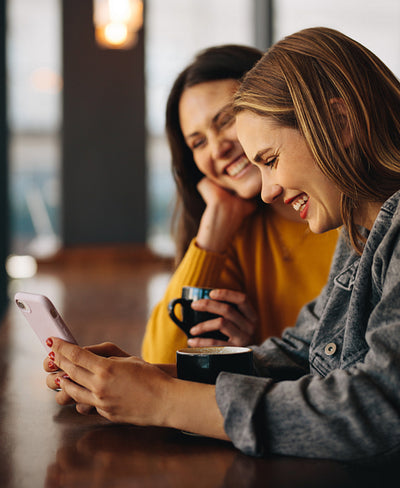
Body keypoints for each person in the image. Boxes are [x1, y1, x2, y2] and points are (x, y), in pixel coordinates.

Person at [45, 26, 400, 461]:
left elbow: (379, 410)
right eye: (197, 141)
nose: (268, 189)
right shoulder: (360, 227)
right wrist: (148, 376)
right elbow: (307, 350)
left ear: (339, 122)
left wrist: (164, 399)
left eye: (269, 160)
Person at [142, 44, 338, 364]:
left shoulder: (358, 212)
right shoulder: (233, 236)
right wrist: (214, 228)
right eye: (199, 142)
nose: (218, 148)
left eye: (226, 120)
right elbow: (160, 360)